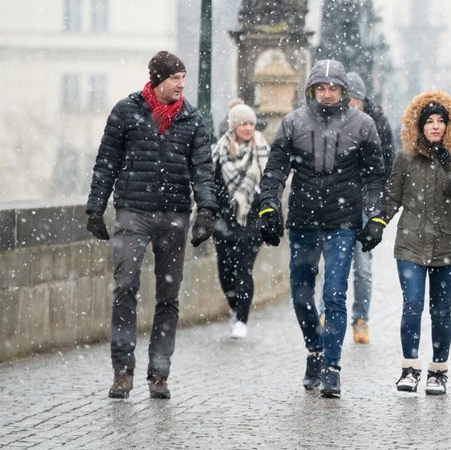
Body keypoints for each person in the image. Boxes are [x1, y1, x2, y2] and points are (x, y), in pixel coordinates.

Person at [86, 51, 217, 400]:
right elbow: (106, 163)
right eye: (175, 78)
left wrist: (206, 211)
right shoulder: (126, 112)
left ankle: (159, 373)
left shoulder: (192, 119)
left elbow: (203, 170)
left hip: (174, 215)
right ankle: (122, 371)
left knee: (168, 296)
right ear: (158, 81)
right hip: (133, 211)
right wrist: (95, 209)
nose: (181, 84)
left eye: (184, 78)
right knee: (125, 284)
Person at [256, 59, 386, 398]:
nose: (328, 94)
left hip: (343, 221)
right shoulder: (292, 123)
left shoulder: (363, 125)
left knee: (334, 294)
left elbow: (375, 178)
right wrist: (268, 206)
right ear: (312, 90)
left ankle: (332, 366)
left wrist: (375, 218)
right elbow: (274, 172)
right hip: (303, 219)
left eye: (334, 88)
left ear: (343, 91)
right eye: (322, 88)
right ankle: (314, 349)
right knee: (300, 295)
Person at [385, 90, 451, 395]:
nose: (435, 126)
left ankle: (438, 371)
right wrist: (375, 223)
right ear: (419, 125)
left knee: (441, 311)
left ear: (449, 125)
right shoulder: (405, 158)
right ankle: (409, 368)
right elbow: (392, 198)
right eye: (429, 121)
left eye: (441, 121)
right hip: (410, 243)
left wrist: (447, 160)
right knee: (412, 306)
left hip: (448, 245)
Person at [343, 71, 396, 344]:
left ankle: (360, 318)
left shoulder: (378, 123)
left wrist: (379, 209)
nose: (352, 105)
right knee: (334, 261)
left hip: (366, 201)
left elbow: (387, 166)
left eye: (356, 100)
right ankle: (329, 311)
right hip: (338, 199)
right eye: (348, 99)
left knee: (362, 265)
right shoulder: (334, 119)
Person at [212, 100, 269, 340]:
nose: (248, 128)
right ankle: (235, 306)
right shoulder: (219, 151)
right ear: (233, 126)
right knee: (226, 271)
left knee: (244, 269)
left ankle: (242, 318)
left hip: (252, 220)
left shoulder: (262, 149)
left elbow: (270, 182)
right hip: (224, 220)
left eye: (251, 124)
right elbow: (211, 185)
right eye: (243, 123)